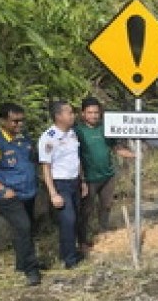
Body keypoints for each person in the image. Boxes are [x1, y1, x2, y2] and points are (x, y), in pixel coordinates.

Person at [0, 103, 42, 286]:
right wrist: (2, 189)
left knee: (27, 229)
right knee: (23, 227)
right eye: (15, 121)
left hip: (28, 192)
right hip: (8, 196)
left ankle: (24, 263)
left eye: (22, 120)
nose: (19, 124)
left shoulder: (24, 139)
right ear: (3, 120)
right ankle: (31, 270)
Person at [75, 97, 135, 252]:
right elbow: (74, 156)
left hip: (108, 176)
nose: (94, 115)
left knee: (106, 206)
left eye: (96, 112)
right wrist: (80, 178)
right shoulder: (77, 131)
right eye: (90, 112)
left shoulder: (106, 128)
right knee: (86, 210)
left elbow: (116, 149)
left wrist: (134, 155)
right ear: (83, 114)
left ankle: (104, 232)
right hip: (88, 178)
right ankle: (83, 240)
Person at [39, 101, 87, 269]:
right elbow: (46, 167)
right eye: (69, 113)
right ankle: (70, 260)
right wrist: (53, 193)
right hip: (60, 184)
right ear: (58, 116)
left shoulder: (72, 133)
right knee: (68, 220)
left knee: (75, 219)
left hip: (75, 181)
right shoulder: (48, 137)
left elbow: (76, 159)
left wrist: (83, 181)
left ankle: (68, 252)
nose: (72, 115)